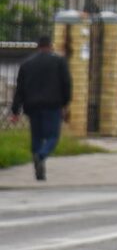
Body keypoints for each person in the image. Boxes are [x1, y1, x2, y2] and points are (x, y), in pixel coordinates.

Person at [8, 34, 72, 181]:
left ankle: (39, 172)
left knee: (36, 137)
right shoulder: (59, 62)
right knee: (52, 137)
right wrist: (65, 103)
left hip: (33, 106)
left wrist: (15, 111)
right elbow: (67, 84)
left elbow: (20, 89)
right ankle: (41, 155)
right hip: (53, 105)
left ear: (38, 46)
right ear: (51, 46)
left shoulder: (27, 64)